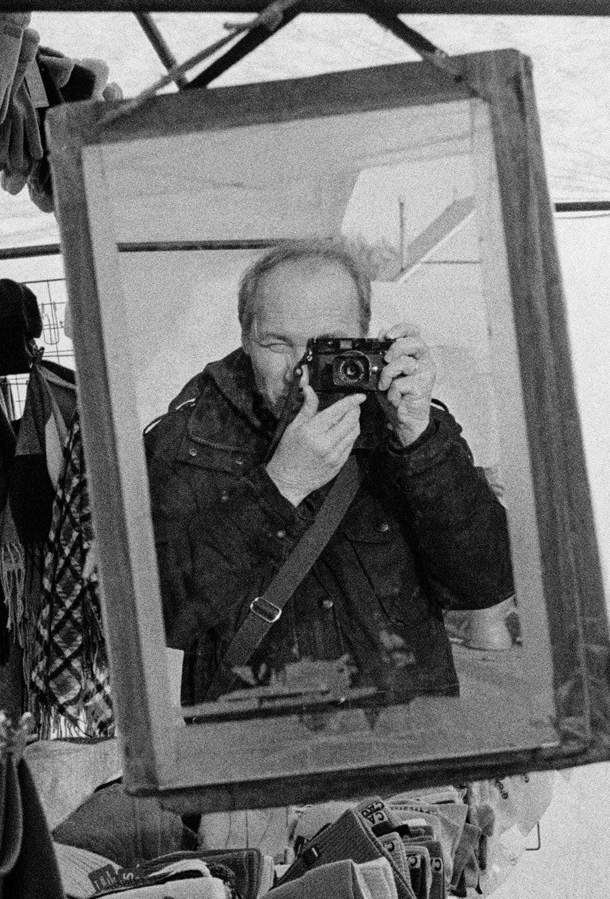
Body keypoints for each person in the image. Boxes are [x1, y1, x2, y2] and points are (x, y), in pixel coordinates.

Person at [145, 240, 513, 709]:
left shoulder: (405, 423)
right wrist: (281, 487)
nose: (299, 373)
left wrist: (420, 439)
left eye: (324, 347)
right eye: (277, 344)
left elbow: (485, 583)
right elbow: (164, 617)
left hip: (404, 745)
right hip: (251, 750)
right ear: (244, 336)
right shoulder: (187, 437)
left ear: (364, 337)